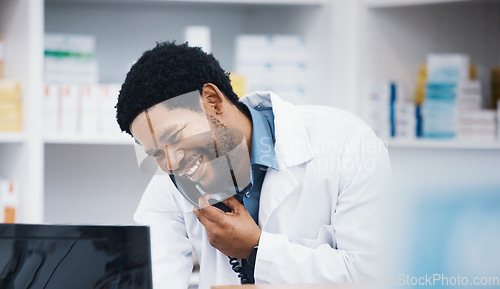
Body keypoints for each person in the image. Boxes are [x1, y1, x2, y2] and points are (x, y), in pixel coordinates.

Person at [116, 41, 391, 289]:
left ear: (212, 101)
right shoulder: (170, 185)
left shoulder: (347, 144)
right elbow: (151, 278)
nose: (172, 162)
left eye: (175, 137)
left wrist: (257, 249)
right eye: (156, 154)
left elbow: (373, 275)